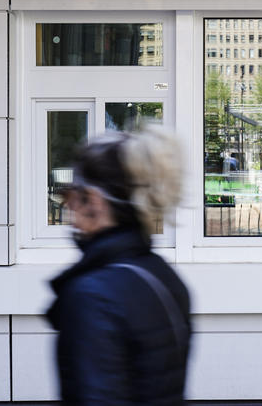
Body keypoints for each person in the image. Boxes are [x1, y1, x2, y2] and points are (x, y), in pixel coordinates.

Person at [46, 127, 191, 405]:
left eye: (71, 195)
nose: (68, 207)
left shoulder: (92, 294)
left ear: (95, 201)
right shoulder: (161, 274)